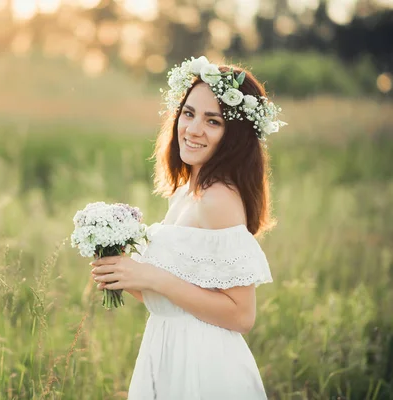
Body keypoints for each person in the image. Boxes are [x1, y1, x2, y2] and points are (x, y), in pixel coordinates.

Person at [90, 56, 286, 399]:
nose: (193, 129)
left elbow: (241, 315)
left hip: (202, 364)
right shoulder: (186, 193)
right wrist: (123, 271)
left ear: (234, 136)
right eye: (189, 113)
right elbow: (174, 299)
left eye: (213, 121)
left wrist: (151, 276)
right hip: (167, 348)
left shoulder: (219, 200)